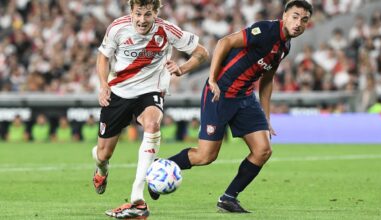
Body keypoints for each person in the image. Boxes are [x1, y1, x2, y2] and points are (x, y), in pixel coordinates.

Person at [150, 0, 313, 213]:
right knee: (205, 156)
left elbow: (267, 80)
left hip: (245, 97)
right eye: (295, 16)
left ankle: (228, 198)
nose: (299, 22)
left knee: (263, 150)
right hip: (220, 93)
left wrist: (266, 117)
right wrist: (212, 80)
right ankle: (157, 170)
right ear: (284, 15)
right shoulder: (265, 30)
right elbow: (224, 42)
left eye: (304, 20)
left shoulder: (285, 46)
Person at [91, 0, 209, 219]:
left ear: (156, 13)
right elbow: (103, 56)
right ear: (131, 12)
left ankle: (137, 200)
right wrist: (103, 84)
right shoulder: (117, 27)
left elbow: (202, 53)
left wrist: (181, 69)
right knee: (103, 154)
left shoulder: (166, 29)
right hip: (119, 92)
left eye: (147, 14)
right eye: (138, 14)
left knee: (153, 125)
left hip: (150, 91)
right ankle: (101, 169)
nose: (142, 20)